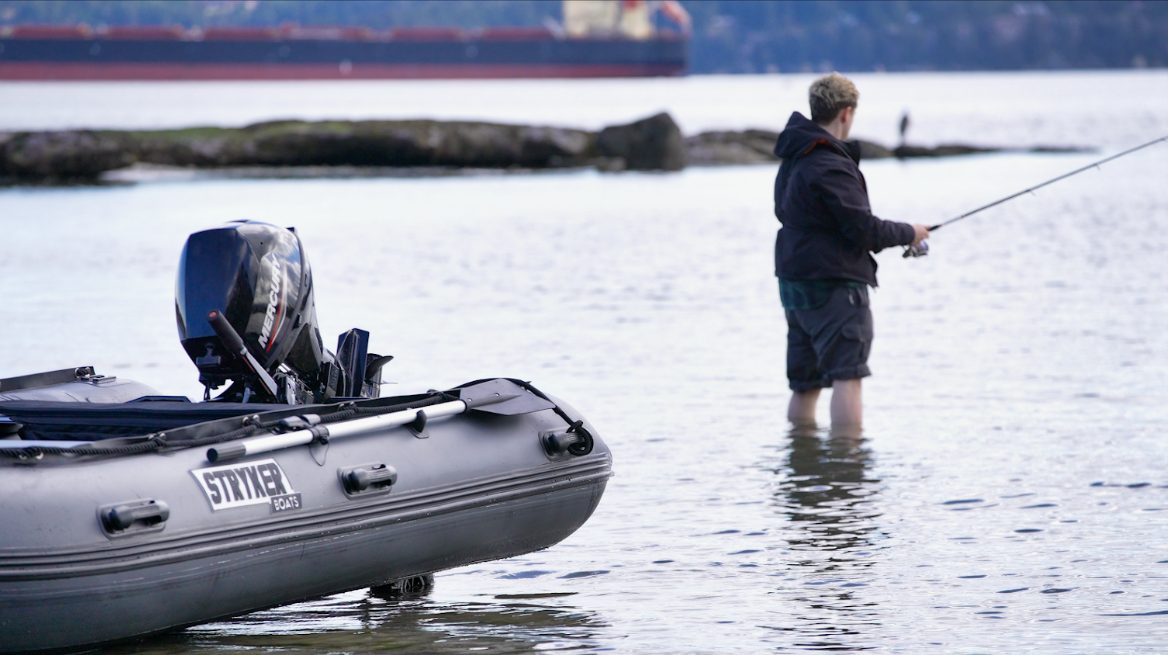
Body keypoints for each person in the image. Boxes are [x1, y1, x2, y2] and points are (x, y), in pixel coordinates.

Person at [772, 73, 928, 431]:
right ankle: (847, 473)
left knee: (804, 383)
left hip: (795, 284)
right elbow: (865, 229)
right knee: (848, 377)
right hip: (834, 287)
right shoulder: (830, 163)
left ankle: (803, 465)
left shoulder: (794, 157)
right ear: (846, 113)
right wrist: (910, 232)